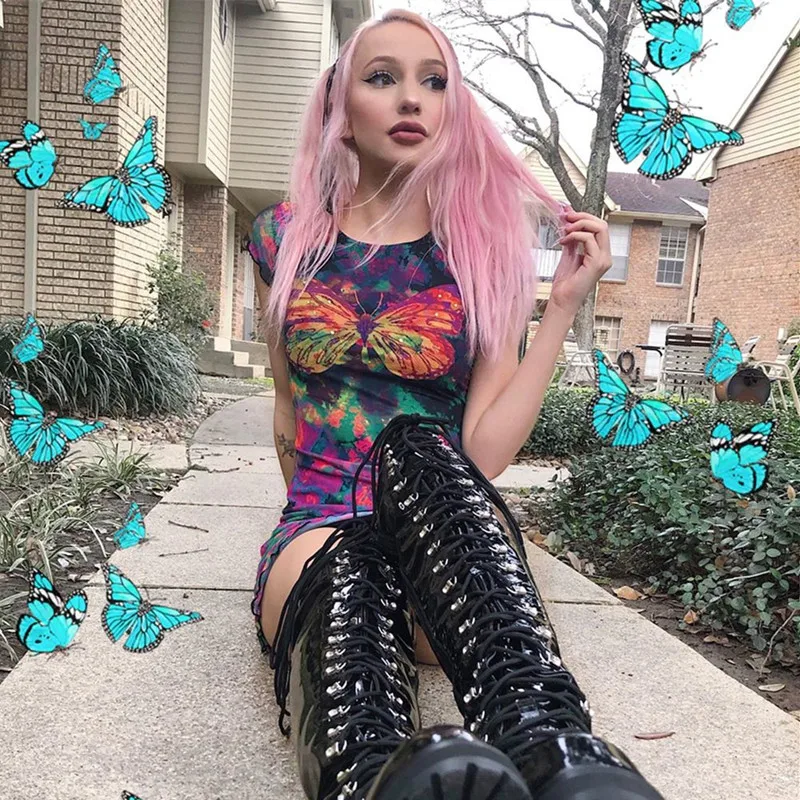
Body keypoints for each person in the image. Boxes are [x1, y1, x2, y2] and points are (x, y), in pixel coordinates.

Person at [247, 8, 664, 800]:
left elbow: (485, 453)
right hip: (322, 528)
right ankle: (371, 779)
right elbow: (288, 415)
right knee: (351, 566)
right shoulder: (287, 238)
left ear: (453, 111)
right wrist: (312, 518)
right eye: (382, 78)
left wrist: (561, 308)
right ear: (341, 113)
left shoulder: (481, 254)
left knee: (415, 446)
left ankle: (552, 749)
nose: (412, 98)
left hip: (447, 533)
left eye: (434, 82)